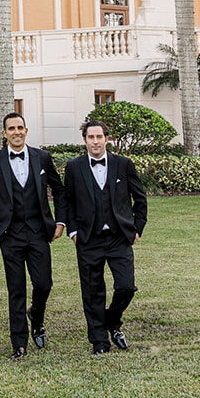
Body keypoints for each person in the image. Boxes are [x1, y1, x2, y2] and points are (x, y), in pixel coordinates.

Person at [0, 112, 66, 360]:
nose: (16, 132)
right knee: (16, 290)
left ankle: (36, 317)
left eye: (20, 127)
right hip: (9, 234)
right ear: (4, 134)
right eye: (11, 128)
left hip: (38, 232)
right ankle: (19, 344)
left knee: (44, 283)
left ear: (26, 130)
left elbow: (59, 189)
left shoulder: (42, 157)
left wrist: (60, 221)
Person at [63, 120, 148, 354]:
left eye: (99, 137)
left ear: (106, 139)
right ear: (84, 141)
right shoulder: (74, 167)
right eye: (91, 137)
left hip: (119, 237)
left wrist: (137, 228)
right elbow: (67, 202)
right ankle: (99, 341)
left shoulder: (124, 165)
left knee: (126, 286)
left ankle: (112, 320)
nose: (95, 142)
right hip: (88, 239)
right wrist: (73, 231)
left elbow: (140, 199)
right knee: (92, 291)